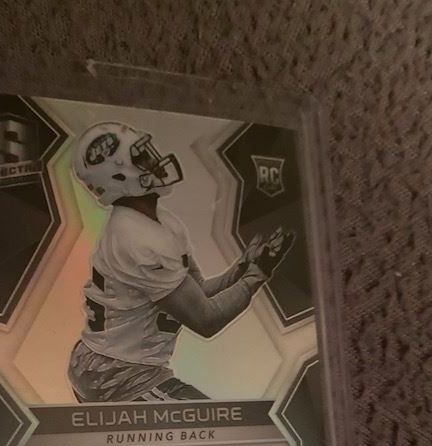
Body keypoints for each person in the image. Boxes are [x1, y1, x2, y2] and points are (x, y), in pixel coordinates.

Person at [68, 122, 294, 403]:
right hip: (119, 372)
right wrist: (257, 275)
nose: (155, 160)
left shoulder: (163, 223)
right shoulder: (137, 239)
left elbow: (198, 293)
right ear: (118, 176)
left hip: (110, 363)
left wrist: (242, 269)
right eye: (142, 157)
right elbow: (205, 320)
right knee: (219, 425)